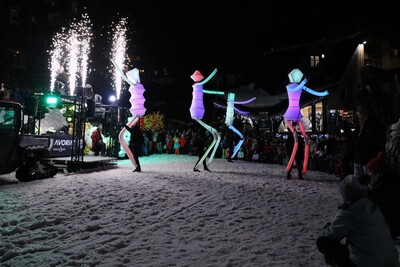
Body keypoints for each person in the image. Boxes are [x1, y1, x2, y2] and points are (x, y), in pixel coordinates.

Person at [316, 174, 399, 267]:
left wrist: (328, 228)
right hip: (390, 260)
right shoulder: (372, 206)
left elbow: (329, 236)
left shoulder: (348, 212)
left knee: (322, 242)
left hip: (370, 262)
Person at [352, 99, 386, 176]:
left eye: (359, 112)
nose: (358, 114)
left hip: (368, 163)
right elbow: (356, 142)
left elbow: (378, 144)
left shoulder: (375, 126)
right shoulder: (359, 126)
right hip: (358, 161)